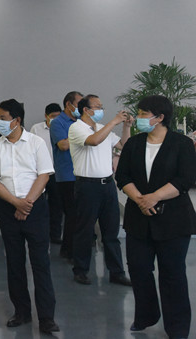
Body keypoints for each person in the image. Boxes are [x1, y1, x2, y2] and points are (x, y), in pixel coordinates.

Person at [115, 95, 196, 338]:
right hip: (139, 218)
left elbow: (185, 179)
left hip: (173, 220)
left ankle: (177, 326)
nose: (138, 118)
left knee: (172, 274)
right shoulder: (134, 144)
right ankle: (146, 315)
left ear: (160, 117)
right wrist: (140, 199)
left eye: (143, 114)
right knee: (139, 269)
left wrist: (155, 197)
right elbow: (123, 176)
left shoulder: (181, 144)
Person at [0, 99, 59, 334]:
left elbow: (44, 175)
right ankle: (21, 311)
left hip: (35, 209)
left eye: (3, 118)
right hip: (8, 209)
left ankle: (46, 317)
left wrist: (26, 203)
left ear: (17, 120)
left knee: (40, 263)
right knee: (14, 263)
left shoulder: (36, 143)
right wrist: (15, 203)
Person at [68, 94, 132, 286]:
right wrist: (113, 122)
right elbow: (94, 141)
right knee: (85, 230)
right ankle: (81, 270)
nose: (101, 110)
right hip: (87, 186)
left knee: (111, 231)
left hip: (108, 185)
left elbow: (123, 146)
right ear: (86, 110)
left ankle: (117, 272)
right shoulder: (77, 128)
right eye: (97, 106)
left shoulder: (104, 128)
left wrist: (126, 127)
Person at [49, 91, 83, 260]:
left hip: (83, 174)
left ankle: (76, 248)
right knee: (72, 214)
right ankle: (69, 250)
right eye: (79, 104)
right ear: (69, 105)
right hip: (67, 175)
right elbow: (63, 145)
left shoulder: (81, 122)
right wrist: (83, 136)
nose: (81, 108)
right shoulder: (58, 123)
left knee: (81, 215)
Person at [29, 103, 63, 243]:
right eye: (53, 116)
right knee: (38, 204)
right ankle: (38, 232)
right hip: (40, 173)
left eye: (58, 116)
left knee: (56, 206)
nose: (55, 119)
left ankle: (55, 235)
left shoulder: (62, 128)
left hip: (56, 173)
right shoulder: (36, 129)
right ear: (46, 116)